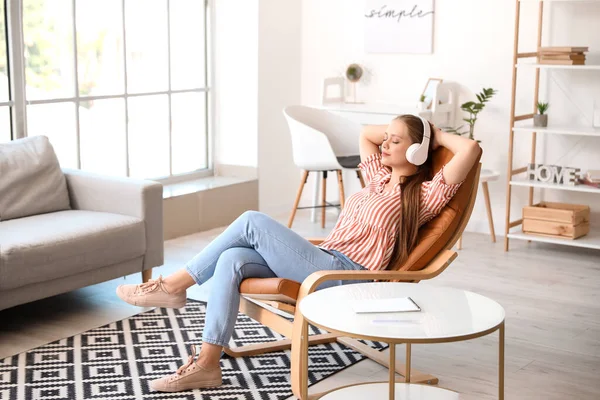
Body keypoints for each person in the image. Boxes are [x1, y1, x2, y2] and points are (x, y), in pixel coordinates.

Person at [116, 114, 481, 393]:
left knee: (251, 222)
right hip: (323, 259)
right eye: (387, 139)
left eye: (395, 141)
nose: (384, 144)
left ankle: (174, 285)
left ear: (416, 151)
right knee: (232, 259)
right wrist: (398, 130)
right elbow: (365, 135)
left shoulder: (425, 196)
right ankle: (209, 365)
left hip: (343, 275)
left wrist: (431, 134)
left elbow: (471, 150)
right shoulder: (377, 179)